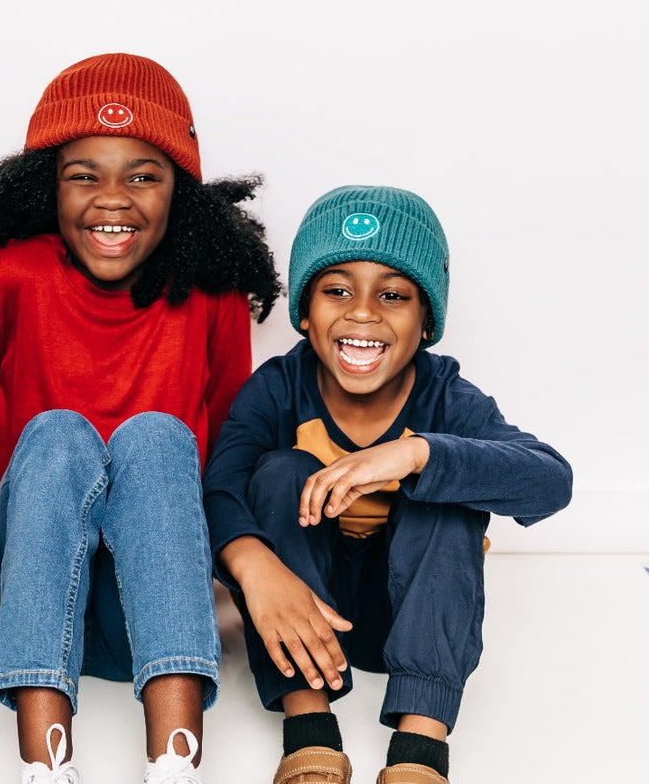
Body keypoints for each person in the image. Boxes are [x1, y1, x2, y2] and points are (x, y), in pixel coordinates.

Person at [0, 53, 280, 784]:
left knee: (154, 436)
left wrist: (267, 558)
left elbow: (237, 452)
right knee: (56, 433)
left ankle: (174, 765)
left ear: (181, 190)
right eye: (83, 173)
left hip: (148, 615)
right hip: (30, 599)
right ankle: (44, 766)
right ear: (43, 185)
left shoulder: (210, 292)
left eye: (143, 173)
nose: (112, 198)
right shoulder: (9, 273)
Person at [203, 185, 572, 784]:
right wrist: (253, 567)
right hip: (299, 611)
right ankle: (309, 731)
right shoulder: (278, 386)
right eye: (337, 290)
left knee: (450, 489)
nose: (363, 312)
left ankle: (419, 748)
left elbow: (551, 481)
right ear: (304, 311)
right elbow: (220, 488)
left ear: (426, 321)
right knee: (278, 471)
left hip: (409, 614)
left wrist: (415, 454)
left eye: (394, 295)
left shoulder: (445, 396)